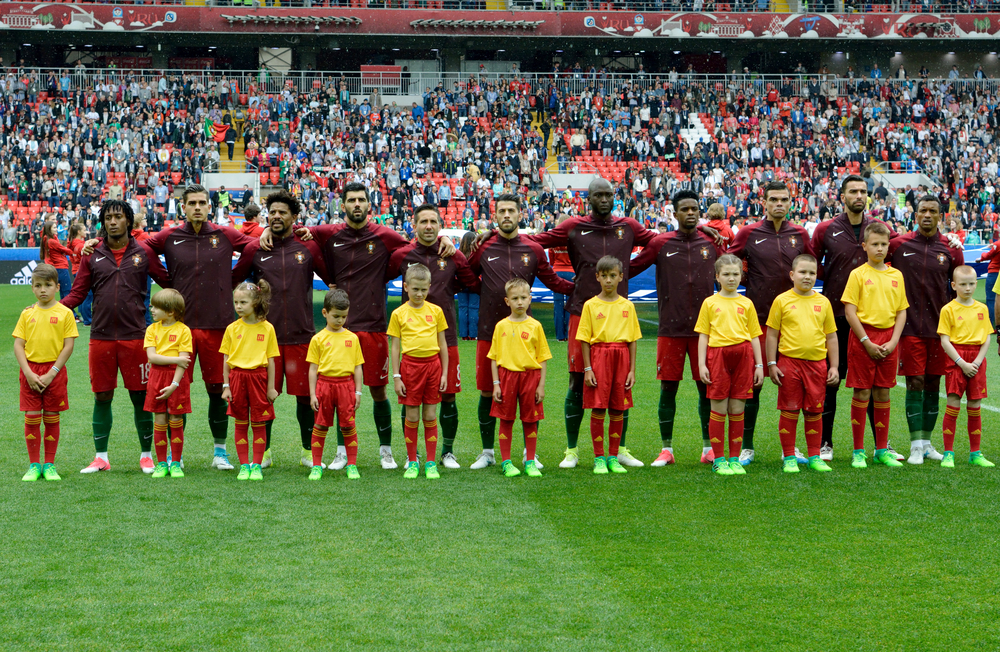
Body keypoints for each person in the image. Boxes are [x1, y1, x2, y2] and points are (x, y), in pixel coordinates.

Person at [262, 182, 454, 470]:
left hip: (373, 326)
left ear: (369, 205)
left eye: (361, 200)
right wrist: (266, 229)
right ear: (343, 205)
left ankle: (386, 451)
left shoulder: (385, 236)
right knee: (339, 390)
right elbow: (292, 226)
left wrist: (444, 239)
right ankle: (340, 452)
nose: (356, 204)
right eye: (351, 200)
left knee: (378, 392)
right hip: (339, 329)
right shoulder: (329, 233)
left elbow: (417, 243)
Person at [529, 178, 656, 469]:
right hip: (581, 313)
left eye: (607, 194)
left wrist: (629, 270)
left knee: (620, 385)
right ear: (588, 198)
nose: (603, 199)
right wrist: (562, 285)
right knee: (576, 381)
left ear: (615, 197)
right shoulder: (574, 226)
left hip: (618, 315)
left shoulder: (628, 227)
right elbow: (536, 242)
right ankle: (571, 450)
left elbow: (659, 243)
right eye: (597, 195)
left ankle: (619, 449)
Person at [142, 184, 257, 470]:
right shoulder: (170, 236)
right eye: (191, 202)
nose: (196, 207)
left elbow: (252, 247)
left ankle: (220, 452)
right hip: (177, 326)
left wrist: (231, 279)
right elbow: (143, 248)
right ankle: (172, 457)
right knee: (173, 387)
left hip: (217, 325)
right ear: (183, 207)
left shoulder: (224, 234)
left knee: (217, 389)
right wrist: (167, 282)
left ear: (209, 207)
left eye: (202, 203)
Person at [466, 194, 573, 470]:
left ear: (520, 213)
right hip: (490, 333)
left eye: (511, 210)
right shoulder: (485, 245)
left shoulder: (533, 249)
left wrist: (580, 290)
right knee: (488, 392)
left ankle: (529, 453)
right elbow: (466, 274)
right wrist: (487, 292)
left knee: (528, 397)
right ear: (495, 215)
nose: (506, 215)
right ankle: (488, 452)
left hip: (525, 338)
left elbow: (553, 281)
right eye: (501, 210)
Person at [62, 200, 169, 475]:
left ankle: (146, 456)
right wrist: (49, 309)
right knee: (102, 396)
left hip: (135, 337)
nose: (112, 222)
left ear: (128, 222)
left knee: (140, 396)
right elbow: (78, 293)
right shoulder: (92, 253)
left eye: (118, 217)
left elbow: (168, 281)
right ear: (103, 222)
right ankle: (101, 457)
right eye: (108, 217)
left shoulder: (143, 252)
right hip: (101, 336)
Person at [231, 190, 327, 470]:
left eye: (282, 212)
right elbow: (235, 281)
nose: (276, 216)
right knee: (262, 399)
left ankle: (308, 451)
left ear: (294, 217)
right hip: (263, 338)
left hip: (301, 336)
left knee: (304, 399)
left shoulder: (307, 247)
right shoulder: (255, 248)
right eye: (272, 212)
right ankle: (266, 451)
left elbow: (331, 276)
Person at [628, 190, 722, 466]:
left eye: (695, 208)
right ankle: (666, 449)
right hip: (670, 328)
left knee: (706, 388)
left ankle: (708, 448)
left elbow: (733, 267)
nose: (691, 213)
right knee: (668, 388)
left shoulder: (711, 242)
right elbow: (631, 267)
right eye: (685, 209)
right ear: (675, 213)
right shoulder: (661, 243)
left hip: (706, 331)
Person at [385, 205, 478, 469]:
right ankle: (411, 455)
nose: (428, 226)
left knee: (448, 395)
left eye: (433, 222)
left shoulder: (451, 254)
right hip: (413, 345)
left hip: (445, 340)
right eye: (423, 221)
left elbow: (470, 281)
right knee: (410, 399)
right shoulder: (403, 255)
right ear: (414, 226)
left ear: (440, 226)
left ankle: (447, 452)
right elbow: (380, 276)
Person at [728, 180, 813, 465]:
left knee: (794, 384)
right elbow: (729, 261)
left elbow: (812, 267)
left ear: (791, 203)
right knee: (753, 384)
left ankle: (791, 448)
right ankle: (746, 446)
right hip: (760, 321)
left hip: (795, 323)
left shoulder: (799, 234)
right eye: (774, 199)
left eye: (784, 199)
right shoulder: (750, 233)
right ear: (763, 202)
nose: (779, 204)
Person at [811, 175, 895, 461]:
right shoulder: (826, 229)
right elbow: (812, 264)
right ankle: (825, 443)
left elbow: (898, 252)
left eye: (863, 191)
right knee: (831, 379)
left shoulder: (880, 229)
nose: (859, 195)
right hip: (835, 316)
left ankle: (881, 446)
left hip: (872, 321)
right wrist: (836, 279)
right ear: (842, 196)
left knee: (873, 386)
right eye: (853, 191)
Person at [887, 195, 964, 464]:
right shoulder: (898, 245)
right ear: (915, 215)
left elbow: (958, 289)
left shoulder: (951, 249)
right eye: (923, 211)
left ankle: (928, 443)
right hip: (908, 328)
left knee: (933, 383)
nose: (927, 215)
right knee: (915, 382)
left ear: (940, 216)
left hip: (941, 329)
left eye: (933, 211)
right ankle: (915, 445)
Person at [841, 222, 908, 469]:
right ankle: (858, 451)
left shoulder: (896, 275)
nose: (879, 248)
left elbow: (901, 312)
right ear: (865, 246)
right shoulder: (858, 274)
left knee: (883, 392)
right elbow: (850, 312)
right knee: (862, 392)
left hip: (889, 338)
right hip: (863, 339)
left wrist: (893, 341)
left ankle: (881, 449)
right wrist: (866, 341)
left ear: (888, 246)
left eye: (883, 244)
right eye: (875, 244)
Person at [764, 254, 837, 474]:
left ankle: (815, 456)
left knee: (814, 411)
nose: (807, 277)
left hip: (817, 365)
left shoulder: (823, 302)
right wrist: (771, 363)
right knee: (790, 410)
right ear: (792, 275)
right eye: (803, 272)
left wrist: (833, 366)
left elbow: (831, 336)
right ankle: (789, 456)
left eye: (812, 273)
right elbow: (771, 335)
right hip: (789, 363)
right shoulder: (782, 300)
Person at [695, 254, 764, 476]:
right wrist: (702, 365)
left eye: (735, 274)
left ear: (741, 276)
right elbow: (703, 336)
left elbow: (754, 336)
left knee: (737, 408)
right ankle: (719, 459)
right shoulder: (710, 303)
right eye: (726, 274)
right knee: (718, 407)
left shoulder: (747, 303)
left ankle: (734, 458)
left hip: (743, 357)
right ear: (717, 277)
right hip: (717, 357)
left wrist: (759, 365)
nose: (731, 278)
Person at [13, 263, 79, 482]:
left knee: (51, 416)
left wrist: (52, 372)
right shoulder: (26, 314)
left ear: (57, 287)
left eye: (48, 285)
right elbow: (18, 345)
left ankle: (49, 465)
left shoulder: (65, 313)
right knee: (31, 417)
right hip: (30, 371)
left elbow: (68, 346)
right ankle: (34, 465)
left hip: (55, 371)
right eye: (38, 285)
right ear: (32, 288)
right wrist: (28, 373)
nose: (43, 289)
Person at [577, 256, 642, 475]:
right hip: (599, 357)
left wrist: (632, 369)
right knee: (598, 407)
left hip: (621, 358)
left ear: (621, 277)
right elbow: (584, 340)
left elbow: (632, 340)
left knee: (617, 407)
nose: (608, 280)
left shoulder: (627, 305)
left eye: (612, 276)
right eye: (604, 276)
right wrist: (587, 369)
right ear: (597, 277)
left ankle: (613, 456)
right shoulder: (590, 305)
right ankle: (599, 458)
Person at [387, 264, 449, 480]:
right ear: (406, 287)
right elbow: (395, 347)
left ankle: (431, 463)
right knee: (412, 416)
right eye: (415, 289)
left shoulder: (436, 311)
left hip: (433, 367)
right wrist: (396, 377)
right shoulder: (398, 313)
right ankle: (413, 461)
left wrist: (444, 374)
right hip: (410, 368)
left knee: (430, 415)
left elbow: (443, 345)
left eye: (424, 289)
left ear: (429, 287)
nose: (419, 294)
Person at [488, 278, 552, 478]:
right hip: (506, 377)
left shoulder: (535, 326)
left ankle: (530, 461)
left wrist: (541, 386)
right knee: (506, 420)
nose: (520, 302)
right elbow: (494, 358)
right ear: (507, 301)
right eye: (515, 298)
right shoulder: (500, 326)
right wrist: (496, 384)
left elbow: (542, 359)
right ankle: (506, 462)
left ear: (530, 299)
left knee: (530, 421)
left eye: (523, 298)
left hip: (530, 378)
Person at [220, 281, 280, 481]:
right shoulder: (231, 328)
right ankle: (244, 466)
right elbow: (226, 360)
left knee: (259, 422)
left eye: (243, 302)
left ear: (255, 302)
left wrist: (271, 387)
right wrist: (226, 386)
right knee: (240, 422)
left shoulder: (268, 328)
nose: (238, 306)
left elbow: (271, 361)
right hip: (237, 378)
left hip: (259, 379)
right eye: (236, 302)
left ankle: (256, 465)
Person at [937, 266, 994, 469]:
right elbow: (944, 340)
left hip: (977, 359)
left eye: (971, 284)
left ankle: (975, 453)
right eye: (963, 284)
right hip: (956, 359)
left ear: (976, 284)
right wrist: (961, 363)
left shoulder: (982, 308)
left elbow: (987, 337)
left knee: (975, 405)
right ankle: (948, 453)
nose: (968, 288)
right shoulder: (948, 309)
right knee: (953, 402)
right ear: (954, 285)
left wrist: (977, 362)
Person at [306, 289, 365, 481]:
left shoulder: (352, 338)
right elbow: (313, 369)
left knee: (348, 426)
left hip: (346, 387)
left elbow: (357, 368)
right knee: (320, 426)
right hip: (324, 386)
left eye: (344, 317)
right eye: (336, 316)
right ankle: (316, 466)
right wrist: (313, 394)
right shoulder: (318, 339)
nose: (340, 320)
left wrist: (358, 392)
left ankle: (352, 465)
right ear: (324, 313)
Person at [143, 289, 193, 479]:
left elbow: (184, 362)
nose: (152, 310)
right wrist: (175, 360)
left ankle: (176, 463)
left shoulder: (183, 330)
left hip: (177, 380)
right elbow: (151, 357)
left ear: (171, 311)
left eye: (156, 307)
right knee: (160, 420)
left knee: (175, 421)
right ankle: (162, 463)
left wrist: (174, 384)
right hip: (156, 377)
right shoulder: (152, 329)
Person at [39, 221, 74, 299]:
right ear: (49, 229)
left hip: (57, 267)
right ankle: (69, 309)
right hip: (61, 267)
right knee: (66, 290)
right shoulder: (52, 241)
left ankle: (63, 308)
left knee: (63, 291)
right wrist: (71, 245)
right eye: (54, 227)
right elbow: (67, 251)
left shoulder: (47, 239)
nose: (56, 229)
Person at [456, 232, 479, 341]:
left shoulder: (458, 254)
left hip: (461, 284)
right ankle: (473, 335)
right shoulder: (476, 254)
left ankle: (464, 335)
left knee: (462, 308)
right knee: (473, 308)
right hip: (474, 284)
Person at [975, 229, 1000, 328]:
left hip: (994, 273)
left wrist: (981, 257)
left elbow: (988, 255)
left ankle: (991, 325)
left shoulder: (997, 244)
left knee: (991, 299)